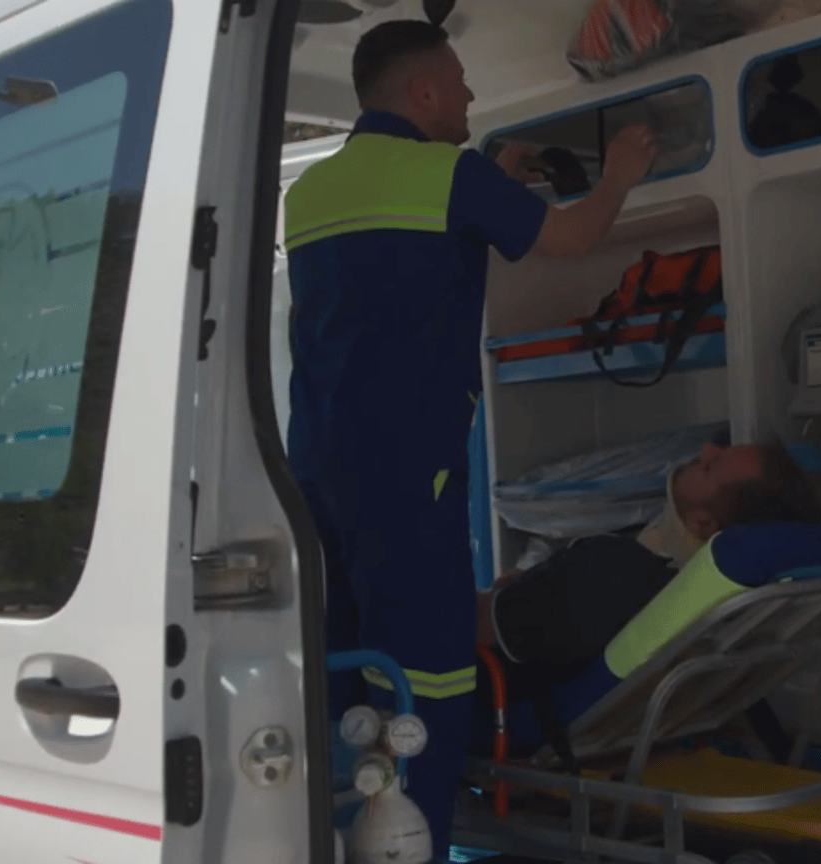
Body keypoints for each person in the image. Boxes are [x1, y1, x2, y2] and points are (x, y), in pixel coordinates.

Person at [280, 19, 661, 855]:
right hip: (409, 470)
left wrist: (493, 184)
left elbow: (397, 272)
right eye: (458, 81)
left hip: (313, 468)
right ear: (421, 94)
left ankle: (345, 829)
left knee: (346, 657)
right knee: (431, 666)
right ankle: (425, 836)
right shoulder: (447, 174)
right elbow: (572, 238)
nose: (470, 95)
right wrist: (623, 173)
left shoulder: (306, 196)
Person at [476, 440, 821, 702]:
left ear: (702, 523)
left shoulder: (611, 572)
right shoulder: (676, 597)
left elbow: (473, 625)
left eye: (710, 467)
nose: (705, 449)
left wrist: (508, 599)